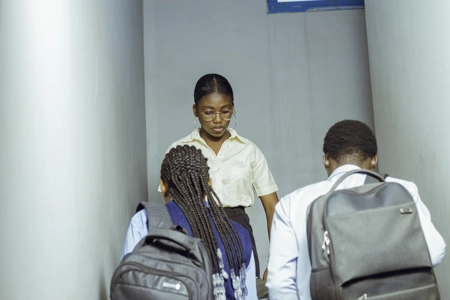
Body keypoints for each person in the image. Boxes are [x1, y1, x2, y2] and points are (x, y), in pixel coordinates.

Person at [266, 119, 446, 299]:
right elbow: (435, 252)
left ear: (326, 161)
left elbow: (279, 286)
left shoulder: (292, 203)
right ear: (374, 159)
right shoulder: (402, 190)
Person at [163, 73, 279, 279]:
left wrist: (277, 260)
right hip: (194, 229)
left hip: (237, 230)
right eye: (208, 112)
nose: (218, 120)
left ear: (233, 108)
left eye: (225, 111)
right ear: (195, 111)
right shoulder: (179, 150)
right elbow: (169, 204)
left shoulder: (249, 150)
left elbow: (272, 208)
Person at [122, 145, 257, 299]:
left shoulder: (145, 220)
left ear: (163, 185)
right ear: (208, 184)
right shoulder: (238, 234)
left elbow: (127, 285)